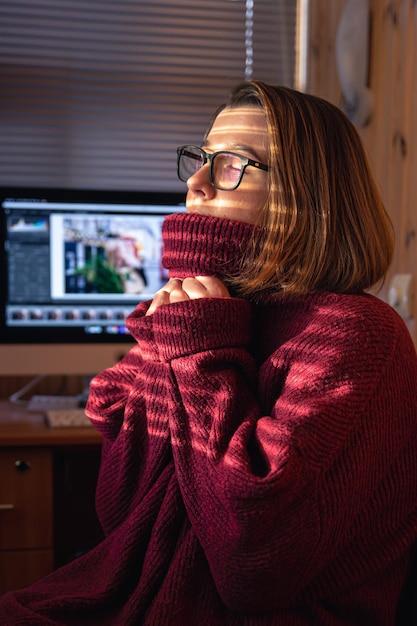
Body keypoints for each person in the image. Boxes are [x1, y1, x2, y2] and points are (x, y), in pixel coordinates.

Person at [1, 80, 416, 625]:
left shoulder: (358, 334)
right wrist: (168, 347)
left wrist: (199, 352)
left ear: (306, 194)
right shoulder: (217, 309)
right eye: (200, 158)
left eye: (230, 163)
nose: (195, 182)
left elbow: (253, 569)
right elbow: (124, 519)